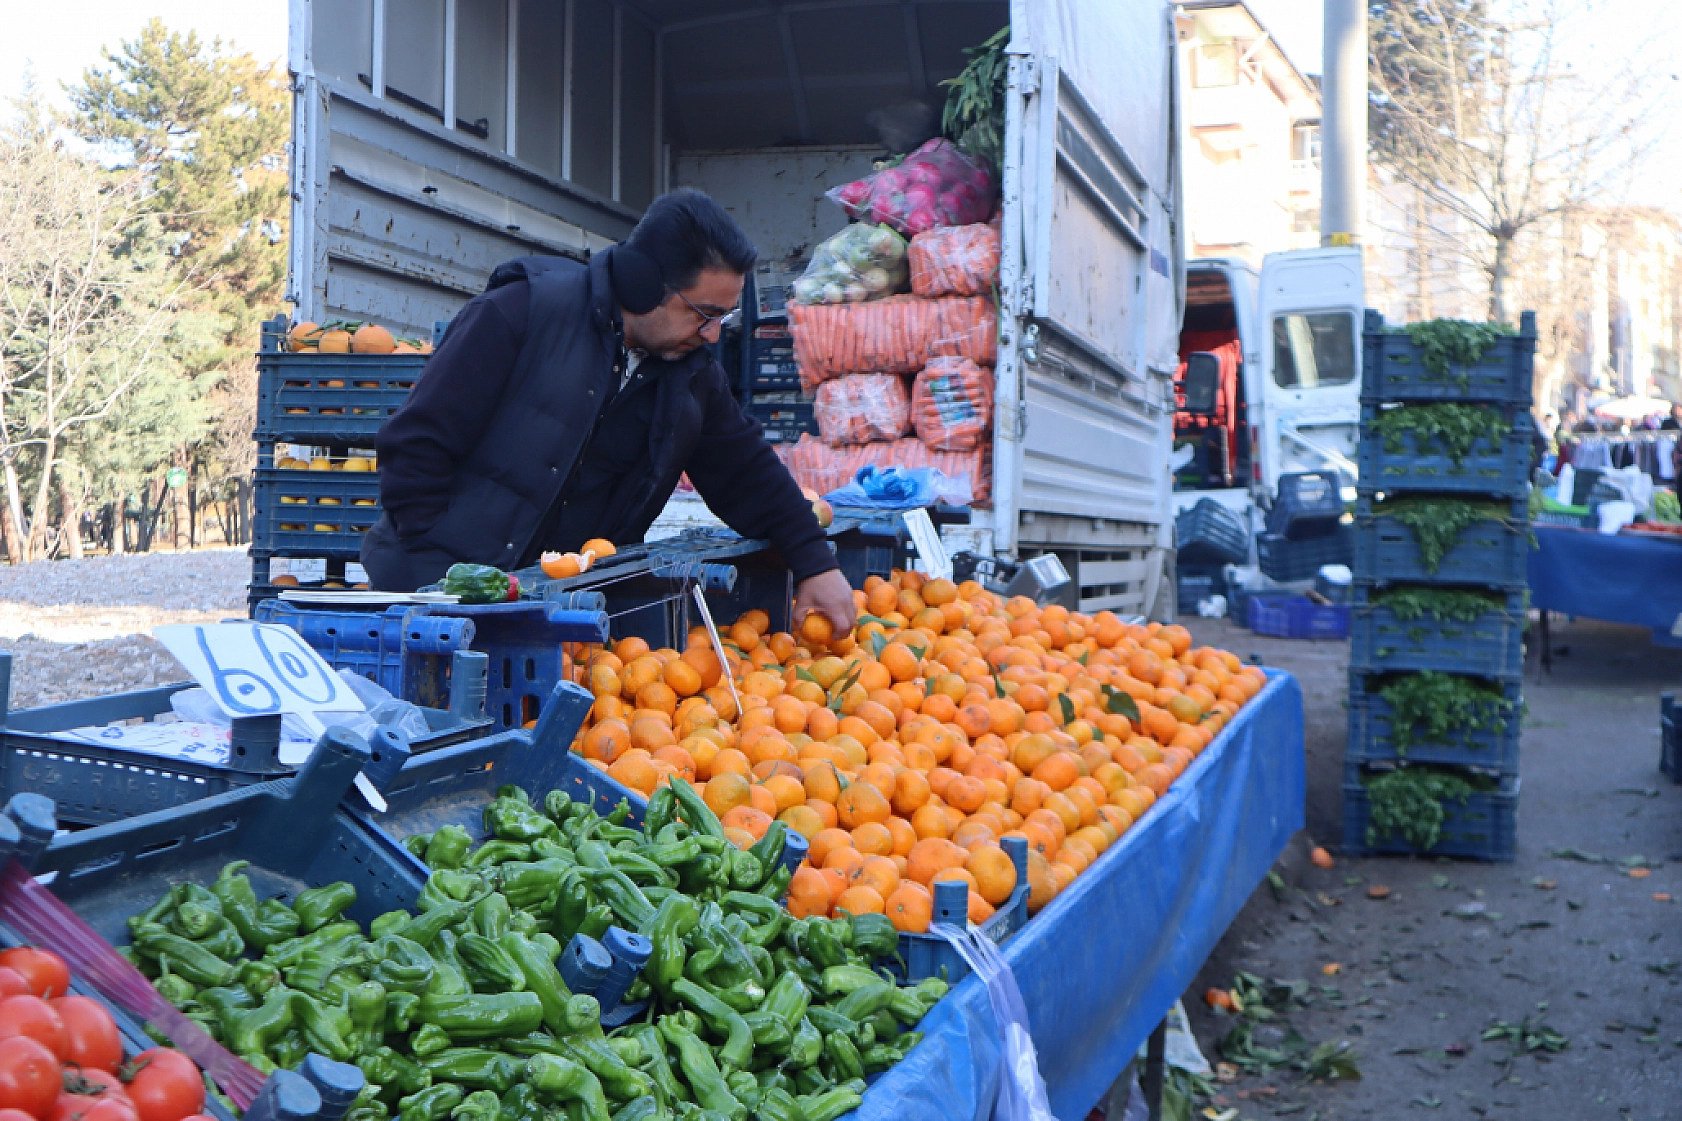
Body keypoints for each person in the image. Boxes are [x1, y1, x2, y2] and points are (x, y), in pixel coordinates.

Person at [362, 189, 857, 633]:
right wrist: (443, 562)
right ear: (643, 284)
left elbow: (746, 471)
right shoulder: (520, 313)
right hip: (438, 602)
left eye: (722, 320)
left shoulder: (691, 375)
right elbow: (416, 444)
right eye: (705, 314)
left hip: (555, 614)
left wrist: (815, 563)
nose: (711, 335)